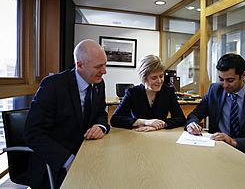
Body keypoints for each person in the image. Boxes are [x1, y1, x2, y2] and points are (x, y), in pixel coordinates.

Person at [24, 39, 110, 188]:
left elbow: (101, 112)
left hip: (85, 152)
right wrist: (68, 160)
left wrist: (100, 126)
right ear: (80, 65)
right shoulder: (52, 86)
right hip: (55, 163)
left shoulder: (98, 83)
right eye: (98, 66)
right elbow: (33, 133)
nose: (104, 71)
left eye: (105, 64)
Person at [186, 53, 245, 162]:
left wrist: (233, 142)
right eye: (221, 79)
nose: (225, 85)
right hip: (215, 153)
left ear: (243, 75)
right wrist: (192, 124)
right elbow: (195, 114)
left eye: (230, 80)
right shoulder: (215, 90)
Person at [110, 54, 186, 132]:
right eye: (154, 78)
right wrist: (145, 122)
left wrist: (161, 124)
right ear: (144, 78)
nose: (159, 81)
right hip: (137, 135)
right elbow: (114, 120)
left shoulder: (168, 92)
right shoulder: (133, 92)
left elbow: (181, 118)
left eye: (161, 76)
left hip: (160, 135)